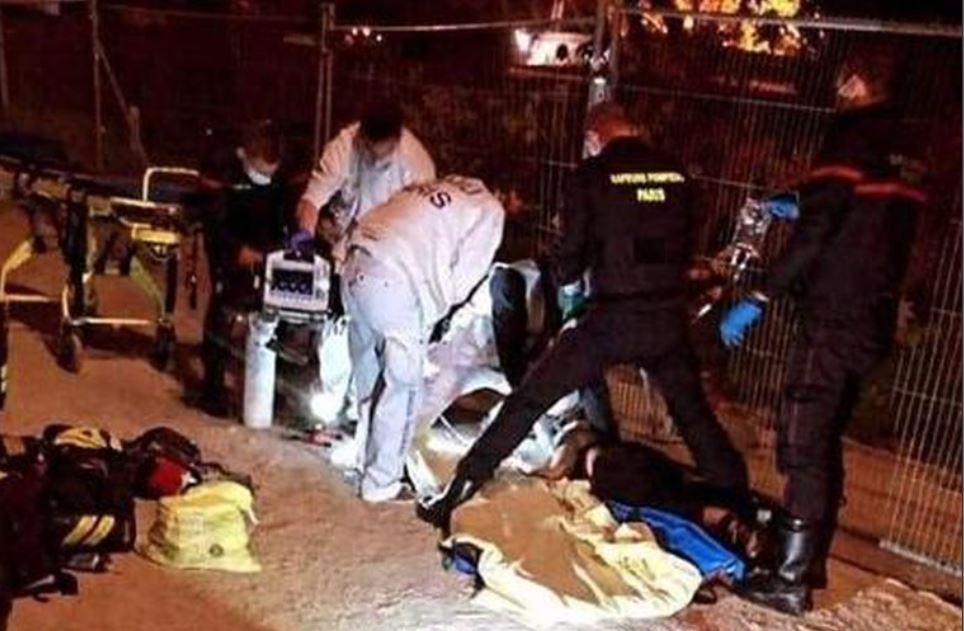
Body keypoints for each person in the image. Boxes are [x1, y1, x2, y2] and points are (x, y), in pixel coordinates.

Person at [417, 101, 750, 528]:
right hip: (666, 318)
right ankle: (741, 507)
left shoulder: (590, 178)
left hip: (609, 319)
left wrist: (565, 269)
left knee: (529, 400)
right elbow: (682, 245)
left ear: (594, 139)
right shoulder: (675, 174)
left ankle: (458, 490)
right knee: (695, 417)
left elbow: (569, 263)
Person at [718, 50, 927, 615]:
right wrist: (801, 200)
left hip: (833, 316)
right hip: (873, 316)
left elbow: (816, 237)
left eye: (840, 82)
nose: (837, 91)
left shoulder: (850, 135)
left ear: (856, 82)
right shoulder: (909, 146)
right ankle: (803, 559)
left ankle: (787, 577)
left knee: (803, 436)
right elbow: (866, 214)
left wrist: (759, 296)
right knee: (824, 437)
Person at [342, 175, 505, 502]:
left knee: (369, 376)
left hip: (356, 262)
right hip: (396, 280)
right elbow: (464, 279)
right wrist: (431, 315)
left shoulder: (440, 187)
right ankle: (382, 482)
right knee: (404, 386)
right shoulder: (489, 208)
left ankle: (363, 458)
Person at [196, 120, 292, 417]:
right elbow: (212, 220)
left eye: (270, 173)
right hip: (229, 244)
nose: (265, 177)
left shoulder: (281, 177)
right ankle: (212, 386)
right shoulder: (222, 171)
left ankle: (272, 383)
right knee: (224, 307)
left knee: (279, 309)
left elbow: (283, 214)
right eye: (261, 171)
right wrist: (236, 250)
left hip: (265, 246)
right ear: (244, 156)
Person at [293, 99, 436, 252]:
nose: (376, 162)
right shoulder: (343, 147)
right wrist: (305, 235)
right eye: (370, 152)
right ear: (361, 135)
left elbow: (425, 225)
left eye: (383, 157)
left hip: (391, 249)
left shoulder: (418, 164)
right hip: (343, 244)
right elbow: (311, 202)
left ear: (397, 140)